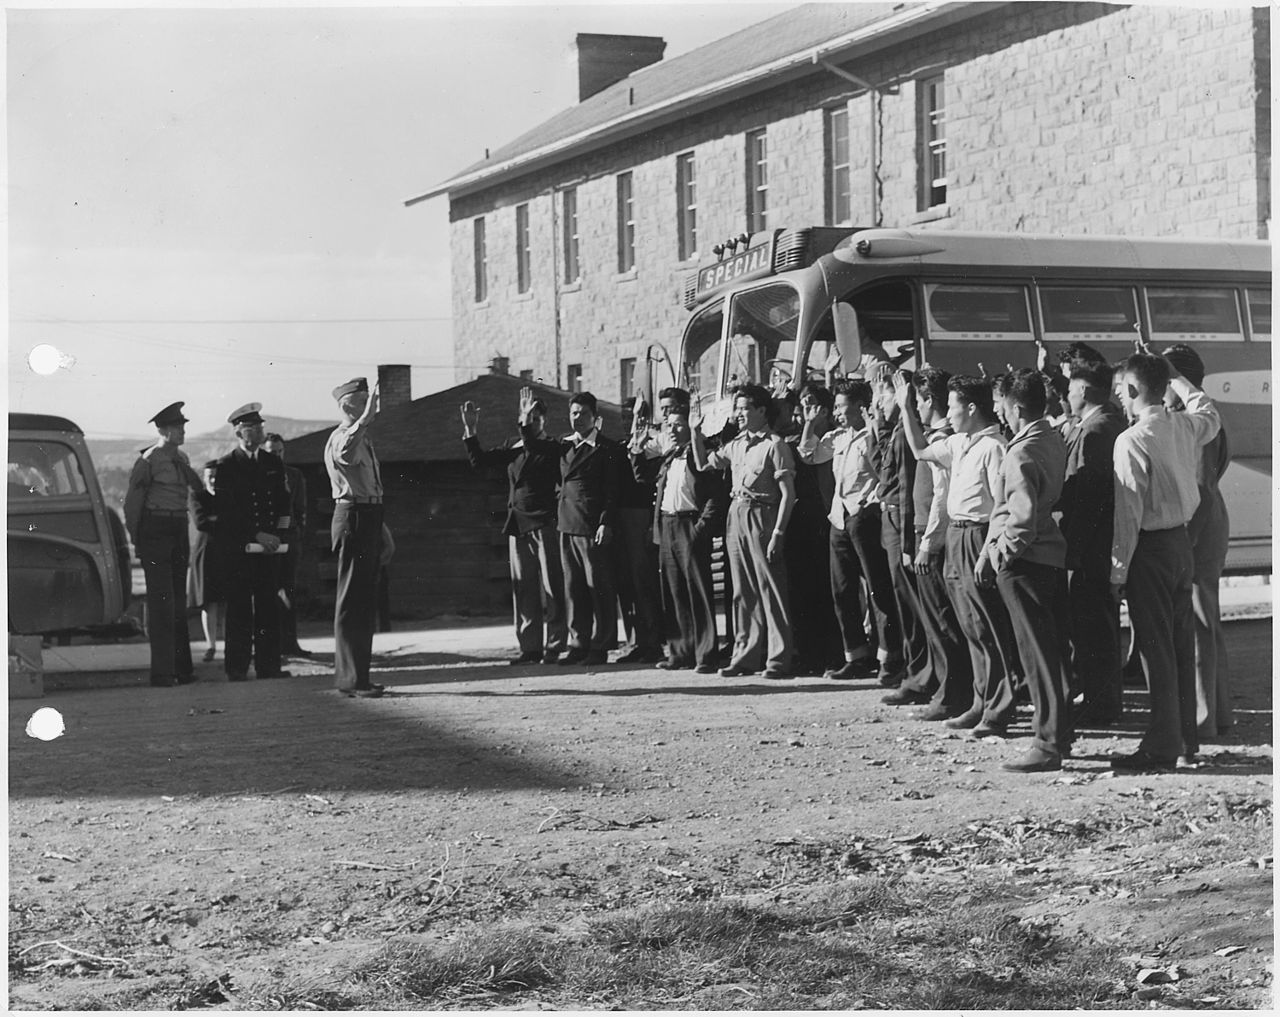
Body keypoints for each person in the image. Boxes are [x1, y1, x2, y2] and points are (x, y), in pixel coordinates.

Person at [1109, 352, 1220, 772]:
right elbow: (1208, 411)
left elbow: (1128, 515)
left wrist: (1117, 572)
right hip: (1180, 546)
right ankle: (1186, 741)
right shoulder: (1182, 426)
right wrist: (1177, 379)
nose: (1120, 398)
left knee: (1155, 651)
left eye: (1122, 390)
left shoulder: (1131, 440)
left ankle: (1160, 745)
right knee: (1178, 644)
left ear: (1134, 390)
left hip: (1149, 550)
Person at [897, 373, 1018, 736]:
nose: (947, 414)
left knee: (988, 626)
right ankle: (980, 702)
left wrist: (988, 551)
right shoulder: (960, 442)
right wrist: (906, 409)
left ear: (970, 407)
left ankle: (998, 709)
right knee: (970, 625)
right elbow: (920, 450)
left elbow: (1002, 504)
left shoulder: (994, 447)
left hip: (978, 536)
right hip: (956, 535)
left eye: (952, 406)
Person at [976, 369, 1073, 772]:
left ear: (1016, 408)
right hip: (1049, 557)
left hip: (1025, 563)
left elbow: (1020, 518)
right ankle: (1057, 734)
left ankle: (1047, 743)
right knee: (1050, 652)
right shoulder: (1051, 439)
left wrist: (999, 556)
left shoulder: (1019, 452)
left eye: (1001, 403)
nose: (997, 409)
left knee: (1035, 655)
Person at [692, 383, 796, 679]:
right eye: (736, 408)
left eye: (744, 408)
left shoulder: (775, 445)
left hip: (763, 515)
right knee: (742, 591)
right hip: (736, 515)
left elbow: (788, 494)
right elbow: (702, 464)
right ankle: (744, 656)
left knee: (770, 588)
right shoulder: (737, 444)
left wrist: (778, 533)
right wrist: (694, 433)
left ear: (762, 410)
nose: (738, 414)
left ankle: (778, 659)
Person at [797, 379, 898, 682]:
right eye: (837, 406)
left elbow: (883, 474)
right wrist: (810, 424)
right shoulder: (838, 437)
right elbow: (809, 454)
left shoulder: (872, 436)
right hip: (839, 519)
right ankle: (855, 655)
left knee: (877, 589)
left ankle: (889, 657)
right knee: (843, 590)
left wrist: (870, 502)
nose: (838, 412)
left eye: (843, 406)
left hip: (864, 516)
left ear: (860, 407)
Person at [462, 386, 567, 665]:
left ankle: (555, 646)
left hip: (545, 522)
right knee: (524, 589)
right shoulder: (513, 445)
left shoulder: (553, 446)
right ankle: (530, 648)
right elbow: (480, 462)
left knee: (553, 586)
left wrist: (525, 423)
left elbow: (533, 444)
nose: (531, 422)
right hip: (518, 524)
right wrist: (471, 430)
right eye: (527, 417)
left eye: (536, 418)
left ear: (543, 421)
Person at [1162, 344, 1233, 741]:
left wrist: (1185, 544)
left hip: (1198, 525)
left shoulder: (1196, 423)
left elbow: (1203, 488)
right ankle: (1218, 715)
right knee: (1205, 621)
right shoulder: (1196, 417)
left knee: (1199, 623)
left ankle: (1206, 718)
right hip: (1204, 520)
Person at [1056, 358, 1126, 725]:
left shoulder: (1095, 430)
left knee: (1093, 627)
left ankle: (1101, 706)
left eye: (1069, 389)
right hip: (1100, 546)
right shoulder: (1107, 423)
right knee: (1099, 626)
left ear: (1083, 391)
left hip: (1089, 548)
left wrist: (1073, 550)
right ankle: (1102, 701)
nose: (1067, 396)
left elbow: (1088, 497)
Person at [902, 367, 974, 722]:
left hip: (935, 538)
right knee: (937, 622)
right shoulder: (938, 436)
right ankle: (949, 692)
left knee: (943, 621)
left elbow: (941, 499)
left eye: (917, 400)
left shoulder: (944, 440)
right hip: (927, 535)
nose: (915, 407)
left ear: (930, 400)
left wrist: (927, 543)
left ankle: (952, 696)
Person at [631, 400, 724, 672]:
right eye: (668, 425)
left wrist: (700, 529)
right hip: (668, 526)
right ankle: (679, 652)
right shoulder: (669, 456)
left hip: (690, 526)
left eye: (678, 424)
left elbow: (713, 497)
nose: (671, 430)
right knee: (673, 593)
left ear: (691, 424)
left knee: (698, 592)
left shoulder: (700, 454)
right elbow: (641, 476)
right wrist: (637, 445)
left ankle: (705, 655)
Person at [124, 401, 203, 687]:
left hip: (178, 527)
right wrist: (138, 540)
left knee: (178, 602)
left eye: (182, 426)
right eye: (176, 427)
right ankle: (162, 673)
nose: (182, 431)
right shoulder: (149, 460)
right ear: (162, 430)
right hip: (155, 530)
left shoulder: (182, 458)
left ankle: (182, 669)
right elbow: (133, 505)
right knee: (162, 603)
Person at [869, 366, 933, 704]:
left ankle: (920, 676)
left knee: (911, 606)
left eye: (885, 393)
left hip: (901, 523)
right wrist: (878, 422)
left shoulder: (910, 431)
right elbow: (882, 469)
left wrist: (908, 541)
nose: (879, 401)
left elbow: (908, 486)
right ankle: (914, 672)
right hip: (890, 522)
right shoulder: (895, 429)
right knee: (901, 602)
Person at [215, 403, 292, 682]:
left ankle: (268, 666)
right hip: (240, 550)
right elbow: (228, 512)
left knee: (268, 608)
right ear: (239, 431)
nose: (259, 432)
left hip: (269, 549)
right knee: (239, 610)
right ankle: (236, 668)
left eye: (260, 426)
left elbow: (284, 505)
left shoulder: (273, 463)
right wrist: (256, 535)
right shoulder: (226, 466)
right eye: (252, 428)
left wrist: (278, 536)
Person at [547, 391, 622, 666]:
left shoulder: (606, 449)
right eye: (573, 413)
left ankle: (600, 646)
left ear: (595, 418)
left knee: (597, 588)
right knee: (573, 588)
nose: (577, 419)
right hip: (567, 524)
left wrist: (605, 522)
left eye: (583, 414)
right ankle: (578, 643)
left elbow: (612, 492)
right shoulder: (564, 446)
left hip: (592, 527)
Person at [325, 378, 386, 697]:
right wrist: (363, 421)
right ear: (347, 405)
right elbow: (347, 453)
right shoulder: (342, 438)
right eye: (363, 401)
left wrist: (382, 527)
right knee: (352, 600)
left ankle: (358, 676)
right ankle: (351, 680)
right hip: (354, 517)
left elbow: (369, 487)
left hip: (368, 515)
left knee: (363, 601)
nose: (371, 406)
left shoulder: (362, 437)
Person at [780, 386, 843, 676]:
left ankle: (834, 654)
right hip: (801, 520)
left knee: (827, 590)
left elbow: (810, 454)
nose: (806, 411)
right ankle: (807, 654)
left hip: (826, 518)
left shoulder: (832, 438)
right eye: (803, 406)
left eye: (812, 405)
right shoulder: (793, 437)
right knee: (802, 591)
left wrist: (810, 424)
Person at [615, 397, 665, 664]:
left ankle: (653, 641)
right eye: (625, 417)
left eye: (635, 417)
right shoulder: (621, 448)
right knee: (628, 584)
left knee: (644, 582)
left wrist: (649, 524)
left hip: (641, 517)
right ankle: (636, 640)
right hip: (622, 519)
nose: (629, 422)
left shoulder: (652, 449)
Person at [262, 432, 310, 660]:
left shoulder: (294, 475)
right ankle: (269, 646)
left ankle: (290, 643)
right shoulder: (258, 474)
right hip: (266, 542)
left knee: (289, 591)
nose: (277, 456)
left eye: (280, 451)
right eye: (272, 452)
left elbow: (300, 510)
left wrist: (295, 534)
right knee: (267, 592)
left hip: (289, 541)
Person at [187, 460, 225, 663]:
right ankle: (211, 646)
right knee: (208, 602)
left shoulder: (228, 496)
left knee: (229, 601)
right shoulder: (197, 496)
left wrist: (217, 519)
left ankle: (230, 645)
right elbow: (201, 522)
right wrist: (221, 520)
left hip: (227, 553)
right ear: (204, 478)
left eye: (217, 476)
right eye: (209, 476)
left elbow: (233, 518)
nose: (213, 480)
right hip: (206, 554)